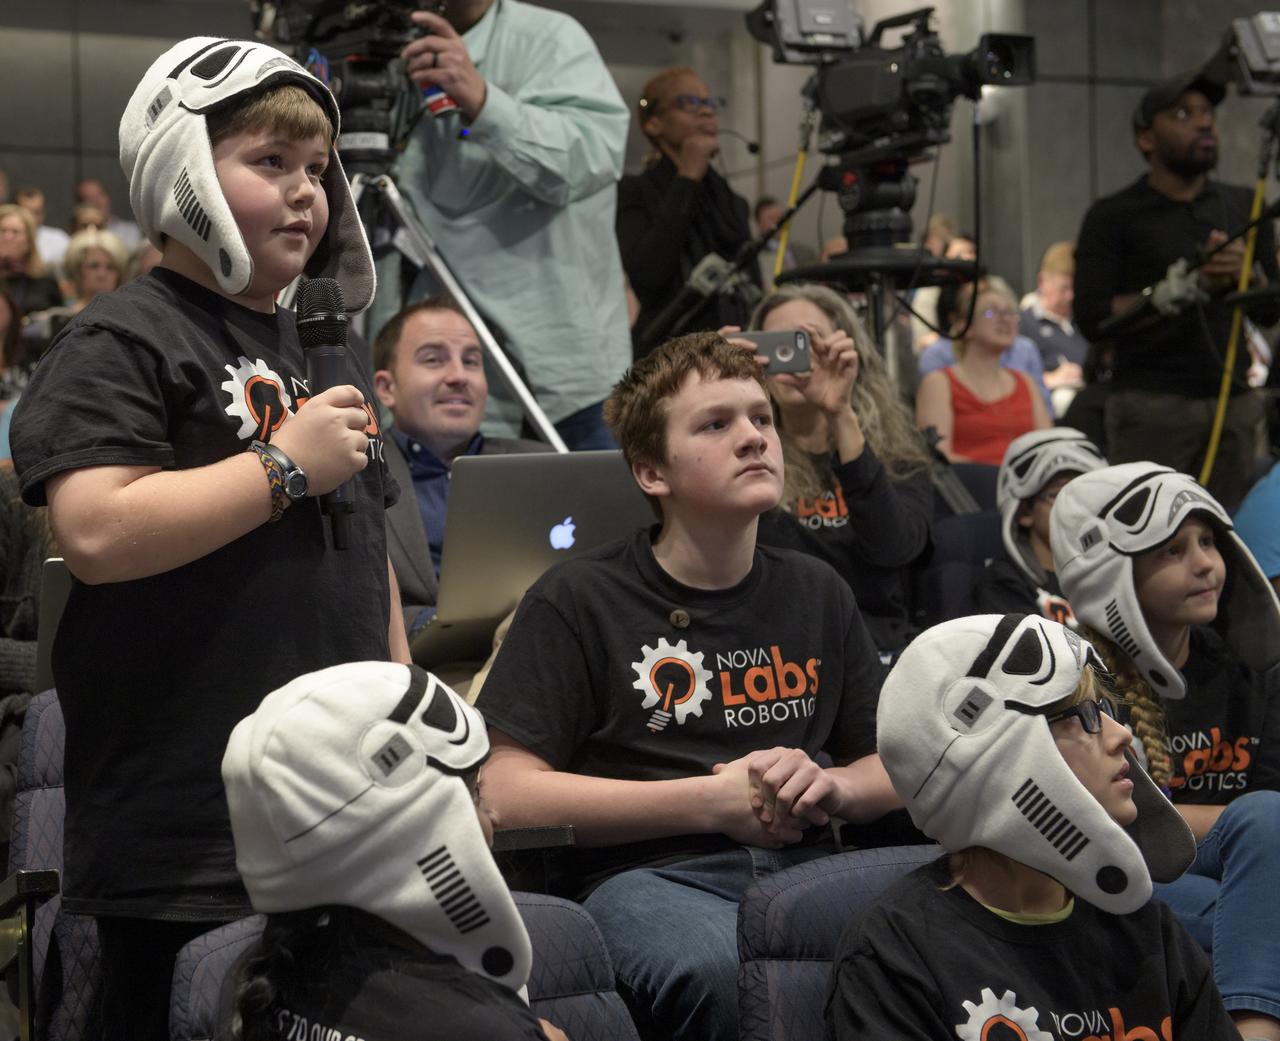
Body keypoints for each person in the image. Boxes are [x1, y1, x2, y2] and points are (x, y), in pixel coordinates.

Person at [9, 38, 407, 1041]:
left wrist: (413, 721)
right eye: (271, 162)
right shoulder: (122, 336)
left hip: (341, 808)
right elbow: (95, 530)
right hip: (183, 838)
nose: (307, 191)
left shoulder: (324, 344)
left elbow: (367, 556)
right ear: (182, 172)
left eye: (317, 169)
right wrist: (284, 467)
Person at [475, 331, 898, 1041]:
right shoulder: (579, 598)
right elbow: (503, 791)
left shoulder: (817, 588)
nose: (753, 437)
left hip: (805, 867)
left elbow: (892, 763)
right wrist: (710, 802)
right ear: (651, 472)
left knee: (926, 938)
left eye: (760, 418)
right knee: (728, 972)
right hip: (651, 875)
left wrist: (832, 787)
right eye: (715, 424)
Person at [827, 612, 1234, 1041]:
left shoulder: (1148, 930)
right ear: (1003, 755)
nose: (1122, 737)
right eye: (1083, 715)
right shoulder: (894, 953)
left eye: (1106, 711)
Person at [221, 661, 567, 1041]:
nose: (493, 817)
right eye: (475, 796)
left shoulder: (252, 984)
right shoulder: (481, 1026)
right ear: (428, 832)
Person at [1052, 463, 1280, 1041]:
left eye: (1208, 542)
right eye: (1173, 551)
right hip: (1115, 869)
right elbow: (1112, 822)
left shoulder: (1247, 668)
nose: (1205, 564)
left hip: (1238, 868)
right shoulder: (1070, 678)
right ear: (1111, 574)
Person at [383, 0, 631, 450]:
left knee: (598, 497)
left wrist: (482, 101)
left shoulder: (549, 39)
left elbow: (591, 161)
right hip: (440, 379)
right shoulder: (384, 50)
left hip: (563, 372)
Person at [1074, 73, 1280, 512]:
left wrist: (1248, 279)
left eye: (1207, 113)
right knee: (1147, 533)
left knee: (1228, 536)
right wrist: (1183, 290)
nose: (1204, 123)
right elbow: (1092, 318)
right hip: (1152, 409)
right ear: (1146, 138)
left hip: (1233, 407)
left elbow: (1271, 310)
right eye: (1184, 114)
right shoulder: (1114, 215)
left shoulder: (1244, 205)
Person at [747, 282, 934, 656]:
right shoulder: (745, 454)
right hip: (775, 653)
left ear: (848, 350)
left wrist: (840, 414)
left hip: (875, 648)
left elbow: (894, 549)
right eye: (775, 344)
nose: (790, 357)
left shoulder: (897, 455)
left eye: (807, 342)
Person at [373, 295, 548, 635]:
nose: (458, 376)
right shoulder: (356, 475)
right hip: (417, 654)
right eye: (433, 360)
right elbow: (350, 602)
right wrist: (433, 625)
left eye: (471, 361)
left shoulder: (544, 466)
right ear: (386, 388)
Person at [619, 67, 756, 355]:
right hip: (667, 352)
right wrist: (688, 176)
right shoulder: (633, 191)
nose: (706, 111)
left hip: (733, 348)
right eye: (688, 103)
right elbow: (648, 273)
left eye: (709, 103)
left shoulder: (730, 201)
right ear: (654, 124)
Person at [916, 276, 1052, 465]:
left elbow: (1050, 448)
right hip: (970, 482)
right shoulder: (939, 383)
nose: (1005, 319)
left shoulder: (1025, 382)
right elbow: (939, 457)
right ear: (964, 326)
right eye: (990, 312)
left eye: (1010, 313)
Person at [976, 428, 1106, 620]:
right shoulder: (1004, 584)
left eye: (1084, 494)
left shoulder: (1111, 573)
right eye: (1057, 495)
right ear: (1025, 512)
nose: (1076, 507)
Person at [1019, 241, 1088, 407]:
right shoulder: (1024, 323)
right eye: (1063, 289)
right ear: (1042, 281)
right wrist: (1051, 378)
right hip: (1053, 398)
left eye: (1075, 288)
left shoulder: (1084, 318)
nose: (1070, 296)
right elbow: (1013, 377)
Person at [0, 204, 62, 319]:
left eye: (15, 232)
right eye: (2, 231)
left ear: (29, 242)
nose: (7, 237)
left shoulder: (45, 283)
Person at [13, 186, 69, 276]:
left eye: (37, 212)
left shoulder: (59, 239)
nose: (32, 217)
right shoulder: (8, 236)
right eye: (27, 212)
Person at [74, 177, 141, 251]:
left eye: (100, 195)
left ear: (108, 197)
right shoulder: (76, 234)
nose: (97, 202)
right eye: (89, 198)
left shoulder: (130, 231)